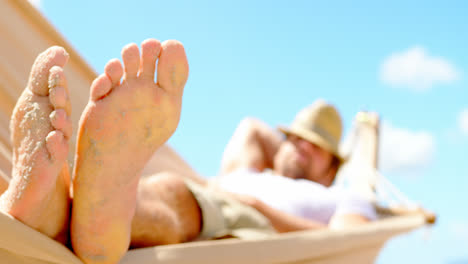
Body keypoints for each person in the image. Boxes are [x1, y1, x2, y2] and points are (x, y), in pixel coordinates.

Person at [0, 39, 375, 264]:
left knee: (176, 192)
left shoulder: (342, 196)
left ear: (332, 169)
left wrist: (260, 206)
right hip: (206, 205)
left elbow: (343, 243)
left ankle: (75, 214)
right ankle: (55, 215)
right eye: (296, 138)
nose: (303, 146)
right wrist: (289, 156)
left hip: (257, 229)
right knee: (165, 195)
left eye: (318, 147)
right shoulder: (251, 168)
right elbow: (251, 128)